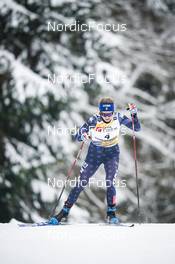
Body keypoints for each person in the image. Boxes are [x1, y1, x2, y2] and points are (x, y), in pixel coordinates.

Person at [49, 97, 141, 225]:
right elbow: (77, 135)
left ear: (113, 112)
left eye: (109, 114)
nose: (107, 116)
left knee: (110, 181)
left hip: (112, 153)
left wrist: (134, 115)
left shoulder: (118, 118)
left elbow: (136, 128)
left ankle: (111, 214)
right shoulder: (94, 120)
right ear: (100, 112)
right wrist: (83, 135)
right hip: (95, 153)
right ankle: (64, 212)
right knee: (82, 181)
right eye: (104, 114)